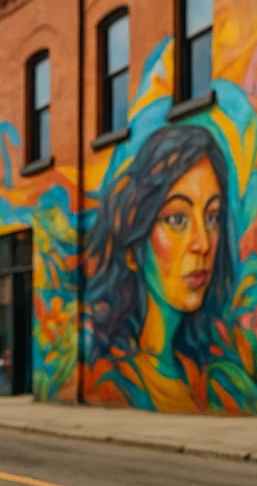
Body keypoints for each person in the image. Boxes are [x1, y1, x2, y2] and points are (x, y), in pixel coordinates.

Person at [84, 125, 234, 411]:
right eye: (177, 219)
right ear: (132, 248)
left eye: (212, 217)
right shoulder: (116, 380)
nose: (202, 243)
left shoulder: (200, 374)